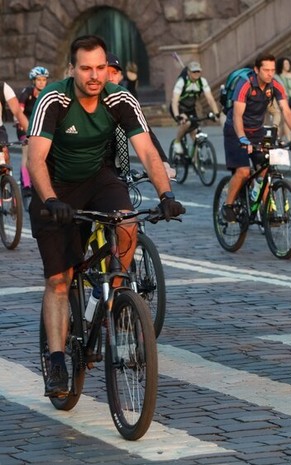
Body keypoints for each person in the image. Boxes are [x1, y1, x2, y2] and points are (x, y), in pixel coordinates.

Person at [27, 35, 185, 397]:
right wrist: (50, 199)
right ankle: (56, 361)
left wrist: (166, 194)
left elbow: (146, 150)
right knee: (60, 280)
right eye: (86, 68)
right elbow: (35, 159)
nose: (95, 75)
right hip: (55, 186)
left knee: (128, 222)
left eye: (100, 67)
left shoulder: (119, 98)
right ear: (72, 69)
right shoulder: (54, 98)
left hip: (99, 178)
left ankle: (114, 295)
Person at [221, 52, 291, 222]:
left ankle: (266, 210)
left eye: (272, 70)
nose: (270, 74)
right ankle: (228, 206)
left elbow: (286, 111)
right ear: (256, 70)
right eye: (266, 70)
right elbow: (237, 115)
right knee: (243, 171)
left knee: (266, 170)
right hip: (235, 131)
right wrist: (242, 138)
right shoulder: (245, 85)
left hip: (257, 131)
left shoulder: (275, 85)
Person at [105, 53, 174, 180]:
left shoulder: (124, 101)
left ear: (120, 76)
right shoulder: (91, 102)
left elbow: (145, 133)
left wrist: (163, 163)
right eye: (106, 72)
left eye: (114, 73)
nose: (110, 78)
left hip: (118, 172)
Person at [170, 61, 220, 155]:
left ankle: (196, 161)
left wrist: (216, 113)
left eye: (198, 71)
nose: (196, 73)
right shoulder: (182, 82)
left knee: (195, 134)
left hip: (190, 108)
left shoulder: (202, 81)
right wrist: (177, 116)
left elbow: (210, 99)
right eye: (194, 72)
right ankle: (177, 141)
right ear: (188, 72)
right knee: (187, 123)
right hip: (179, 107)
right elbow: (174, 101)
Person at [14, 66, 49, 193]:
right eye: (38, 80)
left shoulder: (47, 93)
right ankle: (26, 183)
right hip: (24, 127)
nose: (41, 83)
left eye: (44, 80)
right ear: (33, 81)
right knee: (27, 152)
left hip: (39, 127)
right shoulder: (27, 93)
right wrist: (20, 122)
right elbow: (18, 112)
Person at [272, 57, 291, 142]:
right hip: (281, 100)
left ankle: (279, 138)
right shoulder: (277, 77)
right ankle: (289, 139)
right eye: (285, 64)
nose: (287, 65)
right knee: (285, 120)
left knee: (286, 120)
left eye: (288, 63)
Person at [1, 80, 28, 167]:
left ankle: (6, 173)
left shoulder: (3, 87)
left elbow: (18, 112)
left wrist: (30, 133)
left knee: (4, 154)